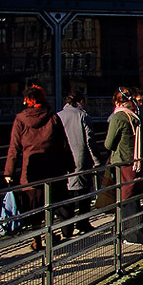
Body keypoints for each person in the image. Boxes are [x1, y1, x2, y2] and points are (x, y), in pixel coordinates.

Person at [3, 84, 75, 250]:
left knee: (33, 207)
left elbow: (14, 147)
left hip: (31, 172)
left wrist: (9, 171)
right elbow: (63, 144)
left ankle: (36, 238)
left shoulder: (20, 120)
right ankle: (49, 234)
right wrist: (70, 165)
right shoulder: (52, 117)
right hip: (53, 169)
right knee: (50, 204)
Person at [57, 89, 106, 234]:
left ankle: (66, 228)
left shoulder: (58, 116)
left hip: (63, 161)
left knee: (66, 195)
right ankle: (82, 223)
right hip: (81, 159)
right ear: (81, 101)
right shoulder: (83, 116)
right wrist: (97, 160)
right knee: (83, 193)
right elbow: (90, 140)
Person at [104, 86, 143, 243]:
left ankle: (128, 235)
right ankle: (135, 234)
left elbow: (108, 144)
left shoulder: (119, 118)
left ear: (117, 101)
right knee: (133, 197)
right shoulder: (134, 116)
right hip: (135, 162)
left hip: (122, 161)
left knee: (124, 198)